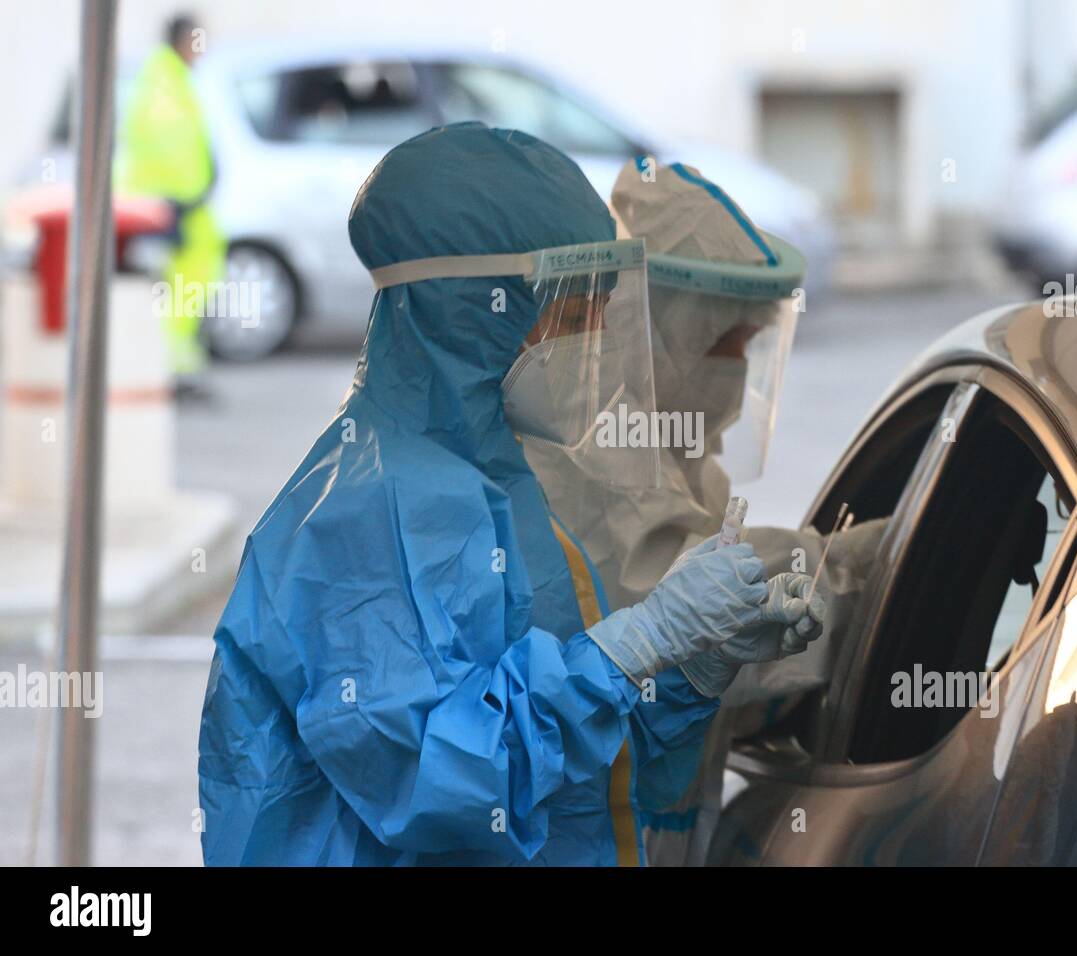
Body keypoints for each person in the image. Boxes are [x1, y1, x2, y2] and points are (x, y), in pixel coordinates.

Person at [197, 123, 823, 866]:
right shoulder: (360, 512)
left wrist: (688, 674)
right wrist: (640, 641)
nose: (596, 333)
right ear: (477, 309)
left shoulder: (503, 484)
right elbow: (448, 787)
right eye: (571, 307)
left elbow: (580, 774)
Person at [523, 157, 886, 865]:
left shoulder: (674, 460)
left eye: (752, 344)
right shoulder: (593, 458)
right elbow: (703, 609)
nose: (741, 371)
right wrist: (859, 565)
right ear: (647, 333)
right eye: (724, 343)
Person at [117, 12, 224, 387]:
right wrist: (185, 197)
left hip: (178, 206)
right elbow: (167, 145)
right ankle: (171, 367)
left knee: (183, 288)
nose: (202, 48)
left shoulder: (171, 78)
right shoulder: (164, 81)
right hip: (173, 206)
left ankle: (177, 365)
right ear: (183, 41)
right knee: (177, 289)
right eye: (198, 40)